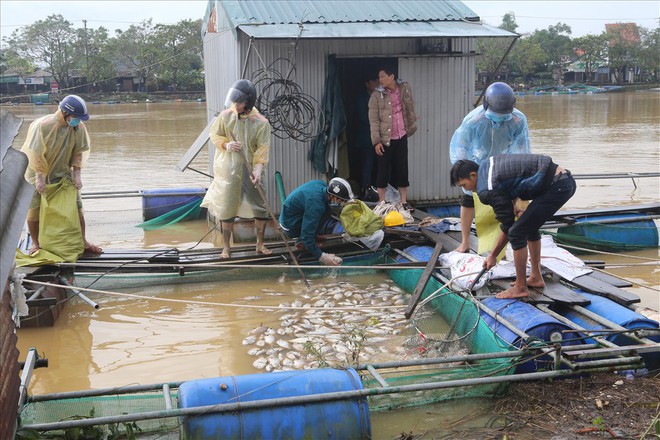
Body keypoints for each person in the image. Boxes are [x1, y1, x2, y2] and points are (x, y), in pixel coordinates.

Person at [450, 154, 576, 299]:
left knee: (517, 232)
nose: (467, 190)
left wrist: (493, 255)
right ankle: (535, 277)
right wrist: (514, 204)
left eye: (464, 185)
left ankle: (520, 287)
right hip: (562, 181)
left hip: (557, 186)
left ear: (473, 175)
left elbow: (508, 225)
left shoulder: (486, 189)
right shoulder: (487, 165)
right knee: (528, 226)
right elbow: (512, 181)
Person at [449, 82, 531, 253]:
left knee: (508, 201)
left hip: (502, 164)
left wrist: (516, 176)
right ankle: (465, 242)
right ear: (486, 105)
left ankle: (503, 243)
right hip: (477, 163)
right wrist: (466, 173)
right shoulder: (474, 120)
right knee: (469, 200)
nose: (500, 117)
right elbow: (460, 147)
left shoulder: (518, 120)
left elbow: (522, 149)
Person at [21, 94, 102, 256]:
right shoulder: (43, 126)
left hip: (63, 174)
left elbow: (78, 152)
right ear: (65, 112)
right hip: (36, 173)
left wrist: (77, 174)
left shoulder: (78, 128)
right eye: (76, 117)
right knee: (34, 209)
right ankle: (36, 244)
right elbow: (36, 153)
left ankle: (83, 241)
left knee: (77, 208)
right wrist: (40, 177)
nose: (77, 121)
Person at [201, 79, 272, 259]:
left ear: (248, 103)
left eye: (238, 102)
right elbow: (214, 135)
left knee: (260, 207)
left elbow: (262, 150)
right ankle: (226, 247)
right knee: (227, 208)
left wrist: (257, 169)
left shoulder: (261, 123)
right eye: (234, 101)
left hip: (251, 172)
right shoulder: (225, 116)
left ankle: (260, 244)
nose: (235, 105)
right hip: (229, 170)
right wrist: (226, 144)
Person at [368, 67, 417, 211]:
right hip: (385, 139)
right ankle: (382, 202)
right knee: (382, 169)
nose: (380, 80)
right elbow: (374, 120)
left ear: (392, 76)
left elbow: (410, 106)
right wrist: (376, 141)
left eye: (383, 77)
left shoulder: (404, 88)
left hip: (401, 135)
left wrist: (412, 122)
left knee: (402, 168)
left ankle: (403, 202)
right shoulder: (376, 96)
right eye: (379, 77)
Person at [279, 177, 354, 266]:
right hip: (290, 226)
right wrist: (322, 256)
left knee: (328, 210)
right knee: (308, 236)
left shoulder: (321, 185)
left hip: (293, 216)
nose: (341, 202)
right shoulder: (316, 205)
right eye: (341, 200)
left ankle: (313, 235)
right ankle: (301, 241)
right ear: (332, 196)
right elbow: (307, 236)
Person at [354, 75, 379, 200]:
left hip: (379, 138)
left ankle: (378, 189)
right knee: (367, 164)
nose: (377, 83)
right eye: (374, 80)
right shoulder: (361, 98)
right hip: (366, 138)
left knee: (380, 165)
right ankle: (366, 189)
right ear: (367, 83)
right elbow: (364, 117)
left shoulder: (380, 96)